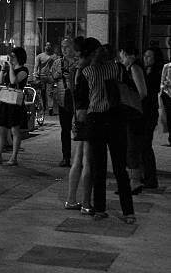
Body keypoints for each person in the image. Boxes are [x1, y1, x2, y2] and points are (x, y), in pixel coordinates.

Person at [83, 42, 135, 223]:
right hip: (115, 119)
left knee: (99, 167)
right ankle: (128, 211)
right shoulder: (118, 69)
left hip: (95, 120)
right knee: (120, 167)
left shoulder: (87, 71)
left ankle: (99, 208)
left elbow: (83, 99)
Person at [64, 37, 94, 215]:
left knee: (77, 159)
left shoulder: (74, 68)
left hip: (77, 115)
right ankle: (86, 203)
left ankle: (71, 198)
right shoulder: (88, 69)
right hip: (88, 115)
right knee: (87, 161)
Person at [0, 47, 29, 166]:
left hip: (15, 103)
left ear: (19, 57)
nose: (11, 58)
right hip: (5, 102)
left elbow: (13, 80)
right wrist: (2, 69)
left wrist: (10, 67)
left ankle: (14, 157)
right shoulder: (8, 69)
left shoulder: (23, 70)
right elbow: (0, 82)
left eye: (13, 56)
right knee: (0, 128)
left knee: (15, 130)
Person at [118, 46, 147, 194]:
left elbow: (142, 92)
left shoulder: (135, 68)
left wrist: (129, 99)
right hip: (132, 112)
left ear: (129, 54)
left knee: (132, 147)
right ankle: (135, 180)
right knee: (131, 146)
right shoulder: (130, 68)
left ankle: (134, 182)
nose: (121, 58)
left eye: (122, 55)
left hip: (134, 113)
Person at [51, 38, 78, 167]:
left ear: (73, 47)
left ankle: (81, 158)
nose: (64, 49)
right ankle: (66, 157)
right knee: (65, 129)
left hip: (78, 99)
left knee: (80, 130)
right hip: (63, 99)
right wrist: (58, 73)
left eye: (67, 46)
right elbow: (50, 77)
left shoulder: (79, 62)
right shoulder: (57, 62)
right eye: (62, 47)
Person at [142, 47, 163, 189]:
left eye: (149, 56)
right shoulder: (144, 72)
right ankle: (146, 176)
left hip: (149, 112)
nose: (146, 59)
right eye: (145, 56)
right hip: (144, 112)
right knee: (143, 146)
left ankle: (151, 178)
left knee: (146, 145)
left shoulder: (157, 73)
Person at [34, 42, 58, 115]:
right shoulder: (40, 56)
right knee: (42, 93)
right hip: (41, 76)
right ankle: (43, 108)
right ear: (44, 47)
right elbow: (36, 66)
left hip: (50, 76)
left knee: (50, 93)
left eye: (49, 45)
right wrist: (35, 74)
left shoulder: (54, 56)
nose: (48, 47)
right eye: (46, 45)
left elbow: (57, 66)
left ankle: (50, 108)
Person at [160, 59, 171, 146]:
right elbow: (162, 81)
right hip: (167, 94)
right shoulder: (167, 66)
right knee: (169, 115)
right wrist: (163, 87)